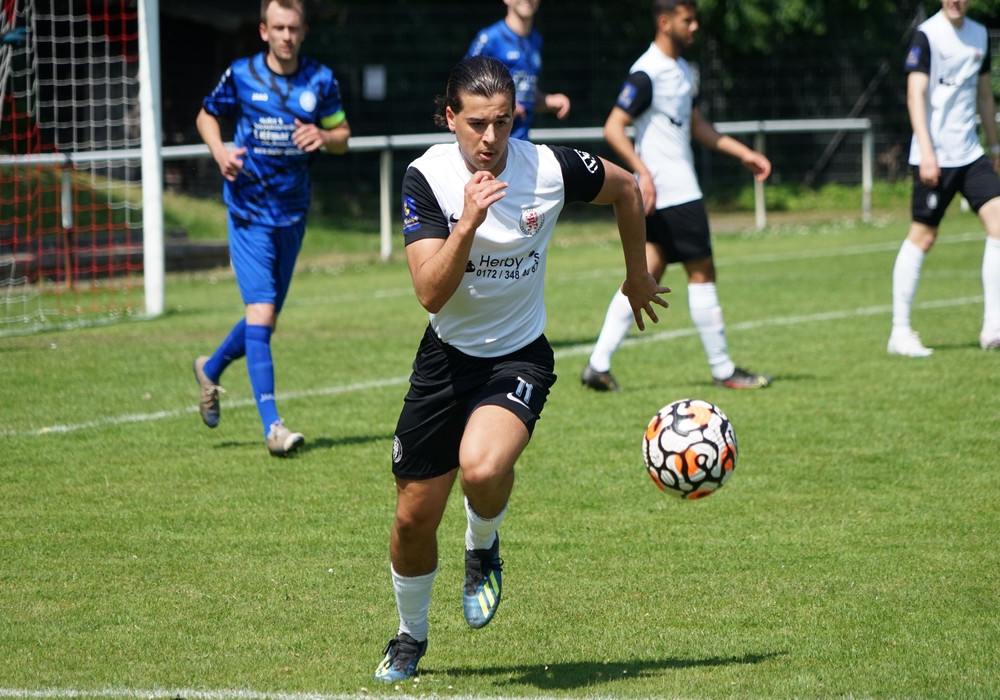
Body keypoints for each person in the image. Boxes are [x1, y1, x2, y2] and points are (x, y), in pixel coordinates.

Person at [373, 55, 669, 683]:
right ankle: (409, 636)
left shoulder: (549, 168)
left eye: (503, 122)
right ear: (449, 118)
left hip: (518, 356)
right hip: (445, 360)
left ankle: (482, 545)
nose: (490, 138)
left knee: (483, 467)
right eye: (476, 123)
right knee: (412, 518)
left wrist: (637, 274)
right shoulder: (427, 178)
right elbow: (429, 293)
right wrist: (469, 222)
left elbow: (627, 190)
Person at [580, 0, 772, 393]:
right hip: (675, 191)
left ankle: (597, 365)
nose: (695, 26)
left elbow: (697, 126)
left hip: (662, 194)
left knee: (644, 275)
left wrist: (743, 154)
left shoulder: (683, 70)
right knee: (703, 273)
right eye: (688, 20)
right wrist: (644, 172)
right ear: (666, 22)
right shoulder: (647, 72)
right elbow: (614, 127)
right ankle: (723, 369)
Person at [192, 0, 351, 456]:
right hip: (248, 210)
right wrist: (220, 152)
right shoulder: (242, 74)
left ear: (304, 31)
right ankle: (273, 428)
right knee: (260, 314)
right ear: (264, 30)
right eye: (278, 28)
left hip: (292, 213)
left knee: (265, 320)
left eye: (293, 28)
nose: (286, 36)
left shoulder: (320, 79)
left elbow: (343, 135)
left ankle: (210, 369)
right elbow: (206, 114)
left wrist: (324, 136)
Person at [887, 0, 1000, 357]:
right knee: (923, 237)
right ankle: (900, 332)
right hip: (934, 156)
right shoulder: (927, 36)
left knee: (999, 224)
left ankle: (993, 328)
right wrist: (927, 151)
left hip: (970, 154)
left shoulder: (980, 35)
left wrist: (995, 146)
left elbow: (985, 95)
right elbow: (914, 95)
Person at [465, 0, 571, 141]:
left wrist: (548, 100)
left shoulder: (536, 40)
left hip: (521, 142)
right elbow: (463, 86)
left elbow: (524, 93)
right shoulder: (489, 38)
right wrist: (504, 104)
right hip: (490, 143)